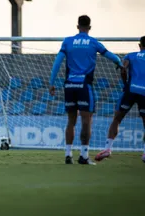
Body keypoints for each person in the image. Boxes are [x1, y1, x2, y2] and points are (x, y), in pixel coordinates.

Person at [49, 15, 123, 165]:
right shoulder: (93, 43)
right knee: (86, 120)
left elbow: (57, 62)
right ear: (89, 27)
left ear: (77, 27)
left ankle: (68, 154)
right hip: (84, 85)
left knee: (71, 121)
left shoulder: (68, 41)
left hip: (69, 85)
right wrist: (119, 63)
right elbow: (111, 56)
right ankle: (83, 156)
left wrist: (51, 83)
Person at [95, 36, 145, 163]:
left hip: (131, 90)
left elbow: (123, 68)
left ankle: (107, 149)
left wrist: (125, 82)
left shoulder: (131, 56)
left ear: (140, 46)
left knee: (117, 119)